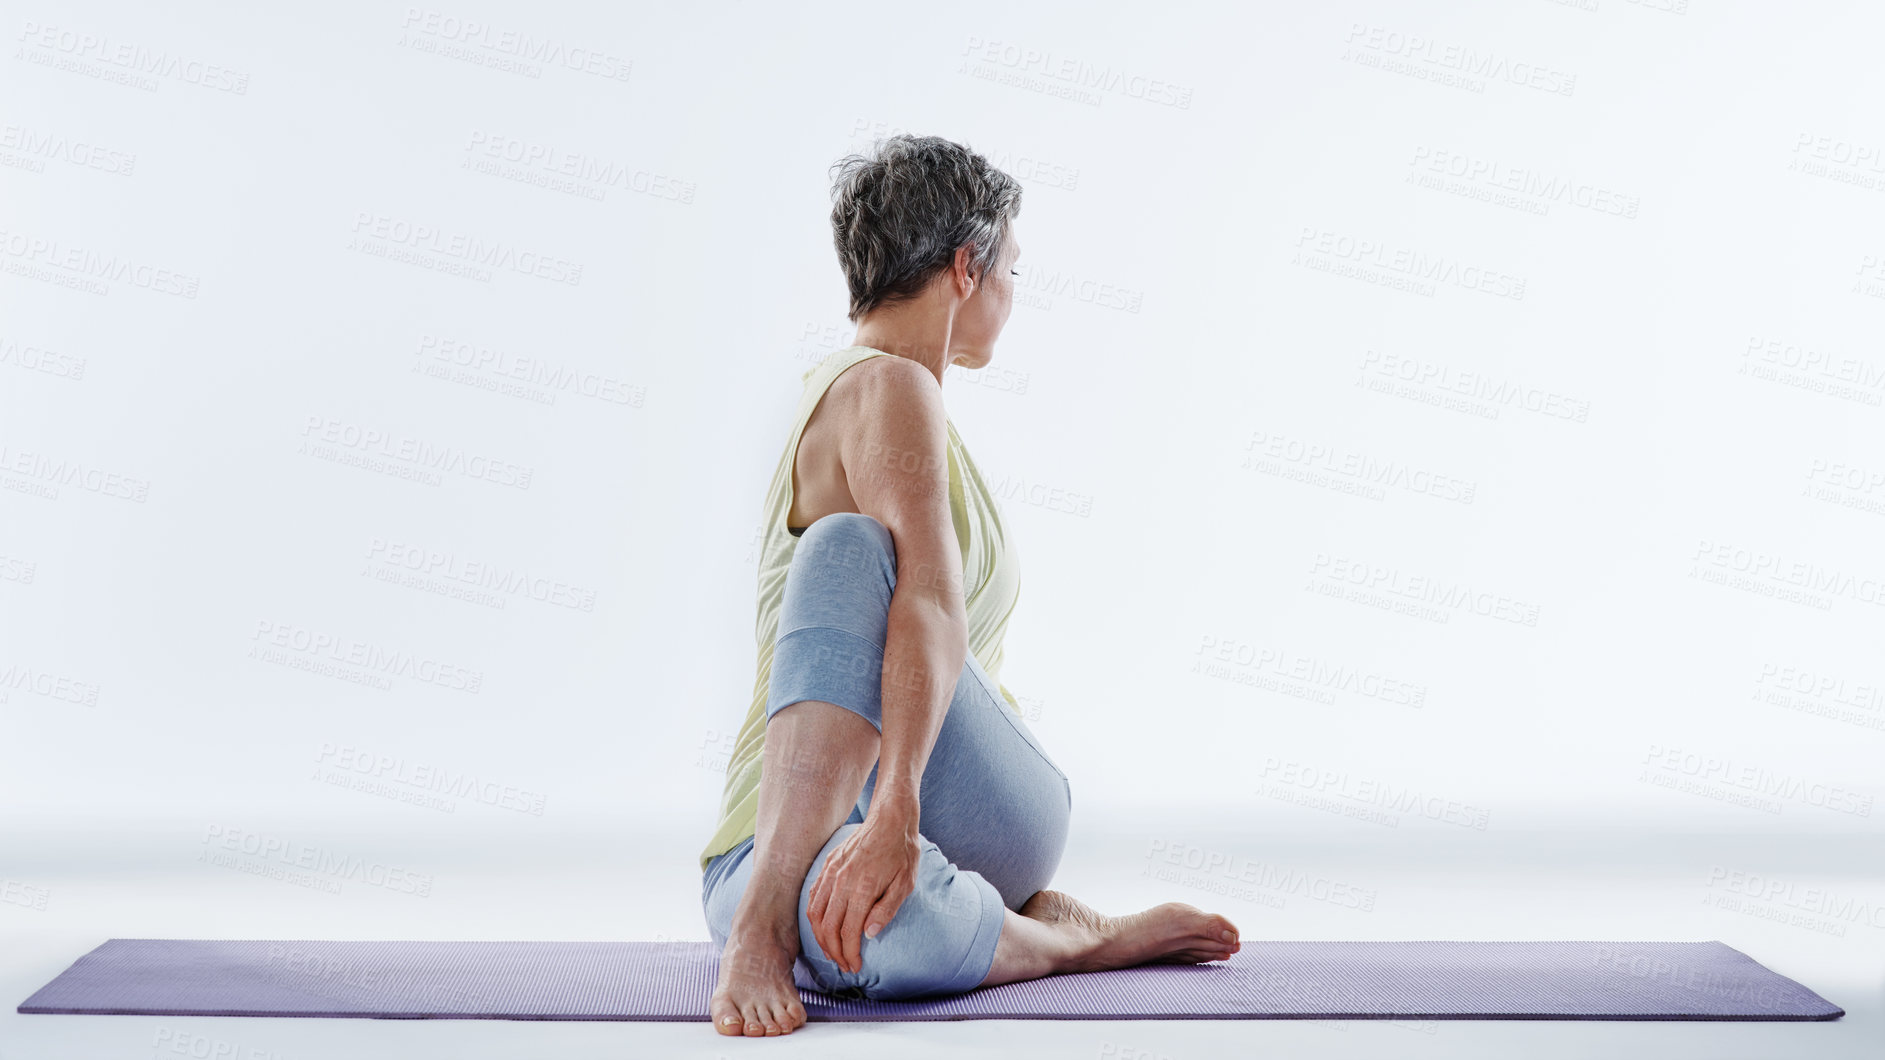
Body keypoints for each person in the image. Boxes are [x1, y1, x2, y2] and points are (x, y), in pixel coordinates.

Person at [698, 134, 1240, 1038]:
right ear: (965, 267)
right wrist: (886, 821)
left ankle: (1047, 936)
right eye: (1011, 272)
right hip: (775, 842)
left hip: (968, 809)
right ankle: (800, 912)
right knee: (894, 942)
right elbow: (924, 604)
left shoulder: (899, 400)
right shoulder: (888, 387)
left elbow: (934, 613)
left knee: (844, 546)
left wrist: (899, 809)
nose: (1010, 295)